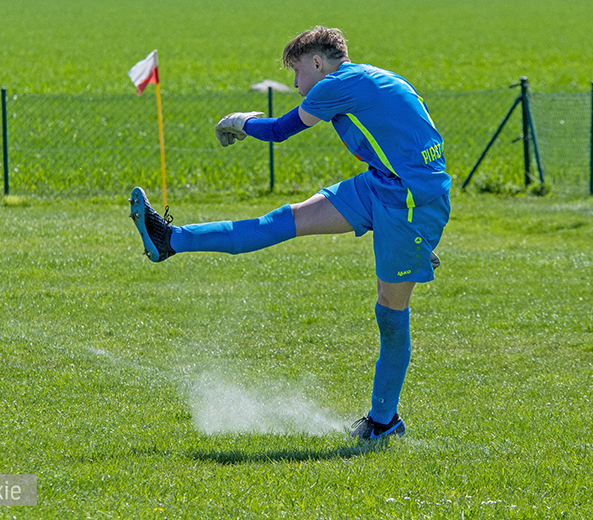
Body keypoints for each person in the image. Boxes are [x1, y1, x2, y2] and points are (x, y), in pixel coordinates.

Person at [129, 26, 451, 441]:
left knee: (390, 312)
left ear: (317, 62)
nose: (297, 85)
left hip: (409, 202)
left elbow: (280, 130)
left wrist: (242, 121)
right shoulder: (368, 77)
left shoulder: (337, 84)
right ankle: (170, 240)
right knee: (285, 219)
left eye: (298, 72)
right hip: (383, 184)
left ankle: (383, 422)